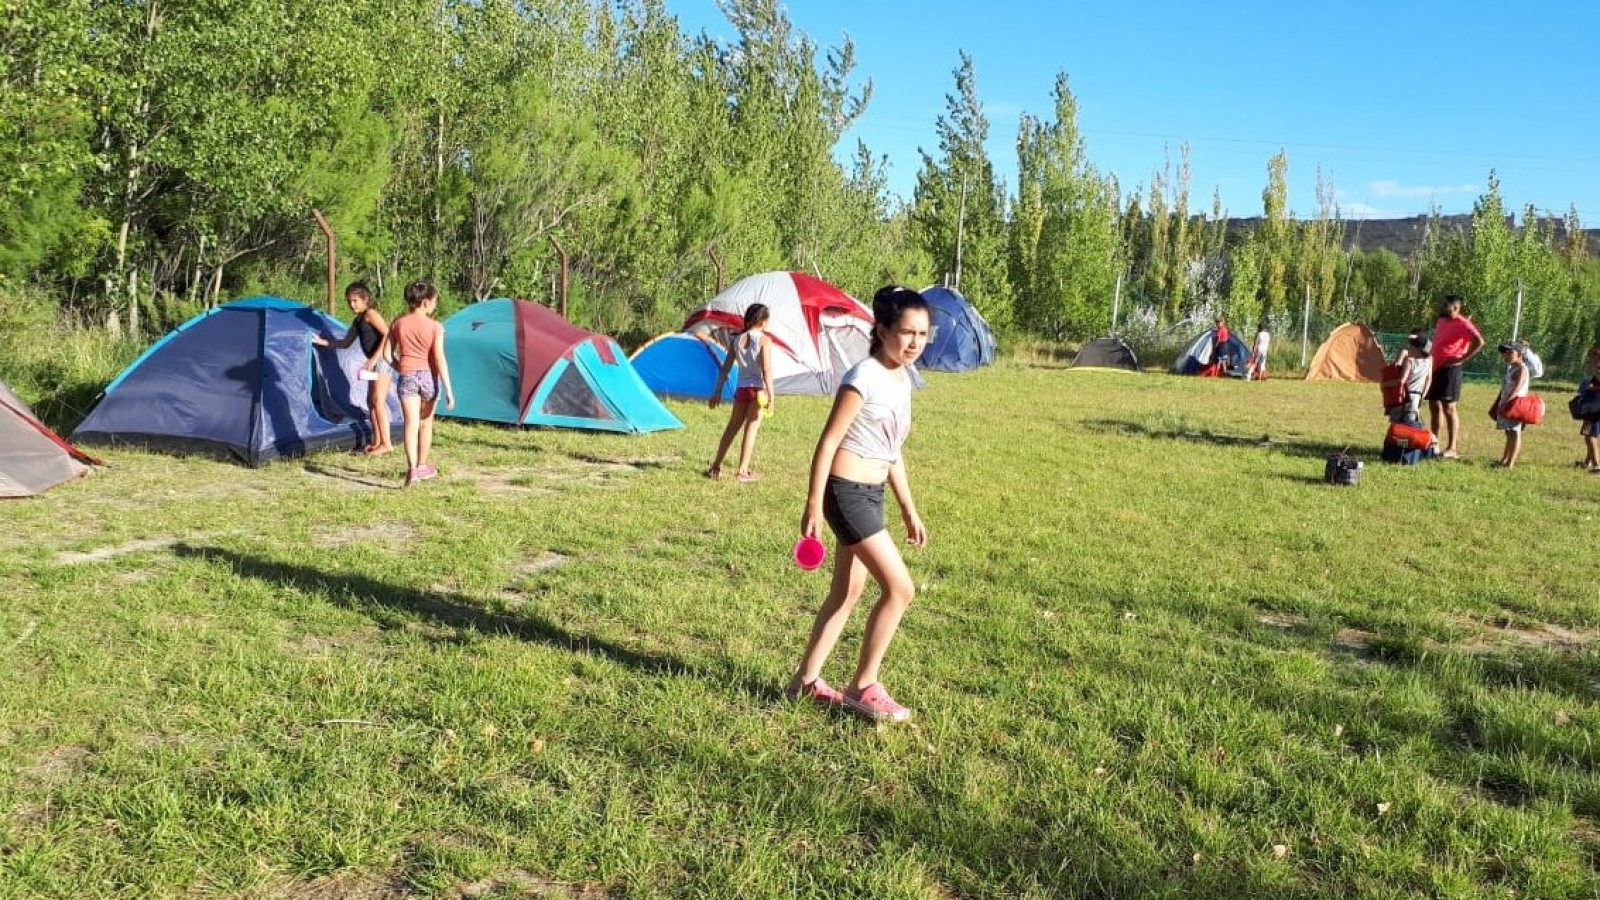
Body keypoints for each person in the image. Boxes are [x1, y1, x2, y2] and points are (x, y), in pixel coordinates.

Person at [786, 286, 930, 724]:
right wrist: (813, 505)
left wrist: (908, 507)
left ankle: (804, 683)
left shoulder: (902, 379)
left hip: (873, 492)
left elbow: (892, 449)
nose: (915, 342)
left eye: (923, 334)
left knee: (847, 592)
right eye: (906, 332)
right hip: (845, 492)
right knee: (900, 589)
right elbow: (828, 442)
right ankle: (863, 686)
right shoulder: (862, 376)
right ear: (881, 329)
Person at [372, 280, 454, 487]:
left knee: (411, 424)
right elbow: (439, 358)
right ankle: (423, 464)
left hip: (407, 376)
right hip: (429, 378)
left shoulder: (398, 323)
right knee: (426, 424)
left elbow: (387, 355)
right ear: (426, 302)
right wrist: (449, 390)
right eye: (434, 301)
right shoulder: (435, 326)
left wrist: (402, 368)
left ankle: (412, 470)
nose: (435, 305)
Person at [312, 281, 394, 455]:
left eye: (356, 300)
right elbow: (345, 343)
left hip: (382, 361)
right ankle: (377, 442)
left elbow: (388, 334)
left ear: (366, 299)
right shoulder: (358, 320)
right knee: (371, 403)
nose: (352, 305)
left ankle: (387, 444)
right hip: (372, 364)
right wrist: (322, 342)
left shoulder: (370, 314)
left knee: (378, 401)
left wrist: (373, 359)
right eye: (349, 301)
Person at [705, 304, 775, 483]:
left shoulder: (737, 340)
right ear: (762, 321)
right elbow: (767, 370)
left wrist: (717, 391)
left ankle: (716, 466)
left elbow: (725, 368)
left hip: (741, 389)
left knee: (731, 429)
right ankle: (742, 471)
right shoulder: (764, 341)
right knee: (750, 429)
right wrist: (772, 398)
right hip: (758, 390)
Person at [1426, 294, 1484, 458]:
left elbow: (1480, 341)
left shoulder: (1463, 323)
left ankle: (1452, 448)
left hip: (1450, 369)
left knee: (1449, 408)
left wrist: (1461, 358)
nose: (1442, 307)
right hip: (1435, 367)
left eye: (1446, 305)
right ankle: (1434, 444)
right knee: (1434, 406)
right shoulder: (1441, 320)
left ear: (1456, 308)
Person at [1492, 341, 1531, 469]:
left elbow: (1517, 388)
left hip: (1515, 405)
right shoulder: (1512, 368)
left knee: (1515, 432)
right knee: (1508, 432)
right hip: (1507, 403)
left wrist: (1508, 402)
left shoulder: (1521, 369)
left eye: (1510, 352)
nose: (1506, 355)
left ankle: (1510, 462)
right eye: (1505, 352)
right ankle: (1504, 459)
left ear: (1519, 354)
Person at [1389, 330, 1433, 425]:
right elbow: (1429, 379)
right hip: (1416, 398)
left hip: (1403, 397)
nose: (1409, 348)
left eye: (1411, 346)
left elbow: (1401, 381)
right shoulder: (1429, 362)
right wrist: (1422, 395)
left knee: (1396, 426)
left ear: (1417, 349)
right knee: (1410, 425)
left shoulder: (1410, 361)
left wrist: (1387, 384)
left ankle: (1395, 440)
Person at [1578, 346, 1600, 472]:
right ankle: (1588, 462)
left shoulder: (1598, 370)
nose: (1590, 358)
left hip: (1594, 408)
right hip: (1594, 407)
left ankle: (1597, 465)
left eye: (1592, 355)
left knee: (1590, 436)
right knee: (1593, 434)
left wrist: (1589, 388)